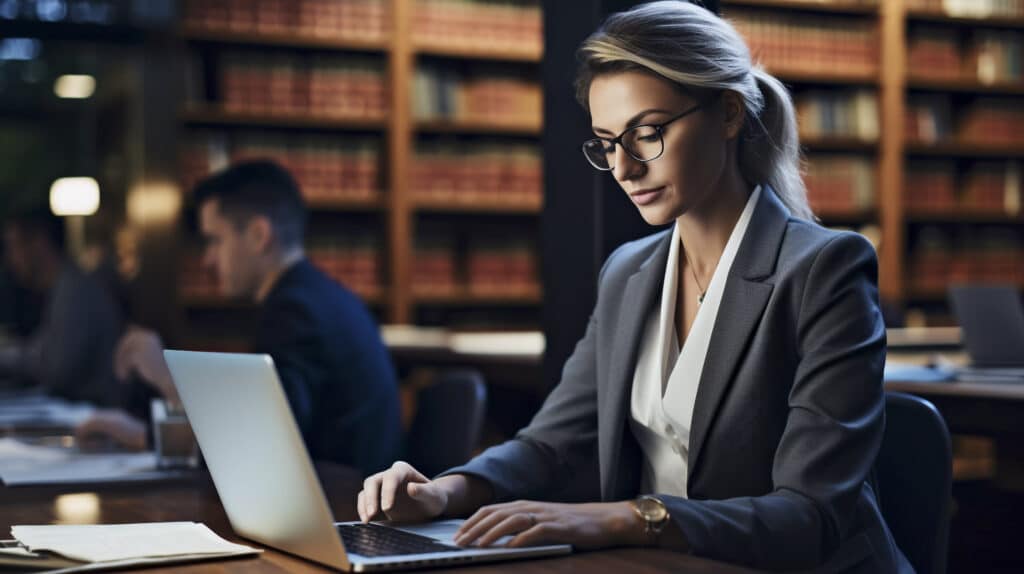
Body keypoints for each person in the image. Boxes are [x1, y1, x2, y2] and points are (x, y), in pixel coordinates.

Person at [357, 3, 911, 572]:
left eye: (646, 134)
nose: (623, 168)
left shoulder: (826, 269)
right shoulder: (629, 271)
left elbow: (810, 514)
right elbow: (550, 443)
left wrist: (627, 517)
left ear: (728, 113)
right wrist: (443, 493)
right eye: (606, 142)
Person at [86, 160, 403, 476]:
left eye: (214, 240)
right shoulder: (316, 296)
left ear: (258, 235)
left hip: (341, 508)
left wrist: (165, 376)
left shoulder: (297, 311)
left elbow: (263, 444)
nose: (208, 260)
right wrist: (144, 436)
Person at [0, 209, 125, 407]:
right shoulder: (65, 288)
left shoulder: (75, 292)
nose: (10, 259)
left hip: (95, 419)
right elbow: (42, 352)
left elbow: (56, 370)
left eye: (13, 246)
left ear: (39, 244)